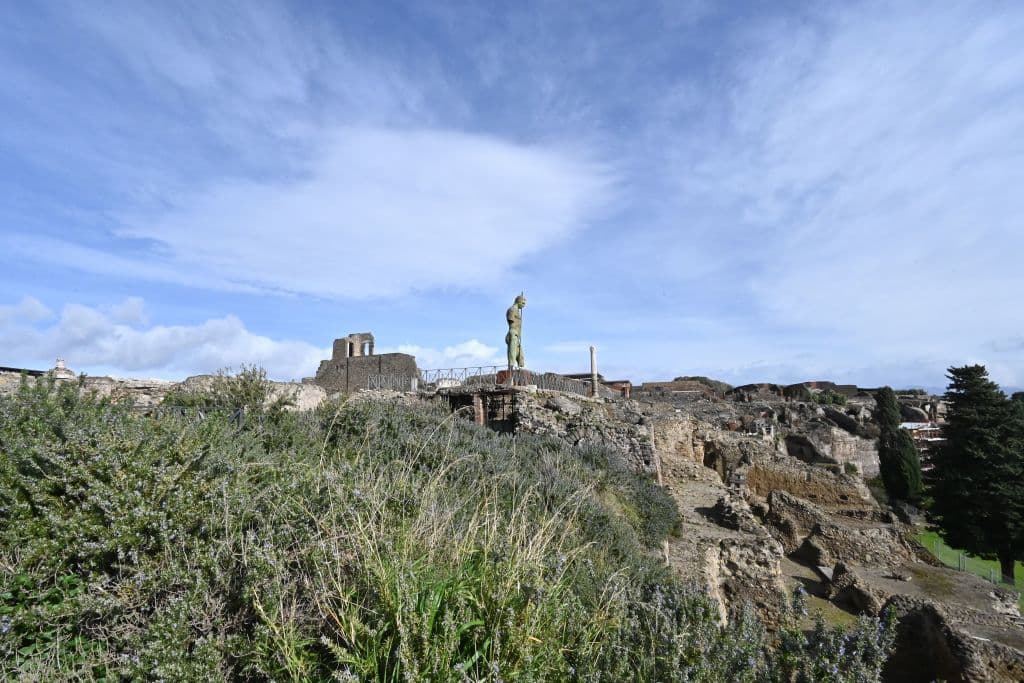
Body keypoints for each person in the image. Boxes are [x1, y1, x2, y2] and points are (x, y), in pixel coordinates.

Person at [505, 293, 526, 369]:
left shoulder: (517, 311)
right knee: (512, 352)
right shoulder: (512, 309)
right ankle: (511, 368)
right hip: (513, 333)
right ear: (518, 301)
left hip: (516, 335)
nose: (524, 305)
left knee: (520, 353)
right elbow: (511, 323)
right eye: (523, 303)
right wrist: (514, 334)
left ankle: (520, 368)